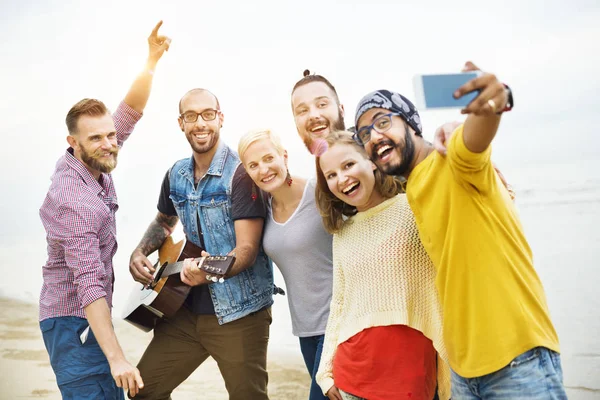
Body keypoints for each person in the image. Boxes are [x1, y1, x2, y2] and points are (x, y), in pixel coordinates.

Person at [353, 62, 565, 399]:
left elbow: (475, 136)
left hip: (517, 359)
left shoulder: (451, 158)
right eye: (364, 134)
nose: (374, 137)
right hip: (464, 372)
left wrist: (494, 100)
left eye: (382, 122)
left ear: (411, 124)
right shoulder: (414, 191)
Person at [38, 21, 170, 399]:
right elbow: (89, 285)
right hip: (73, 321)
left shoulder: (95, 156)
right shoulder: (73, 201)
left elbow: (129, 110)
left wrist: (150, 61)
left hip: (83, 318)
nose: (110, 143)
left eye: (111, 135)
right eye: (96, 138)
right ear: (73, 142)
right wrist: (117, 358)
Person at [128, 88, 274, 399]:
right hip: (184, 309)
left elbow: (247, 250)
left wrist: (207, 272)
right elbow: (164, 222)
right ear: (181, 123)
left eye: (208, 114)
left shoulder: (242, 173)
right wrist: (140, 251)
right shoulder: (176, 173)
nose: (200, 123)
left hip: (240, 314)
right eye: (191, 116)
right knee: (145, 391)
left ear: (220, 118)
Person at [313, 130, 450, 400]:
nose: (342, 179)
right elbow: (340, 304)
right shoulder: (343, 233)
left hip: (409, 376)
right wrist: (325, 371)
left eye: (348, 165)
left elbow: (462, 219)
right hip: (351, 377)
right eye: (331, 175)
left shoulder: (412, 207)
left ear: (372, 160)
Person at [238, 128, 333, 400]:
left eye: (269, 158)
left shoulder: (321, 193)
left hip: (338, 325)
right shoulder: (263, 210)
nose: (264, 169)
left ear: (284, 156)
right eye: (253, 165)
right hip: (305, 329)